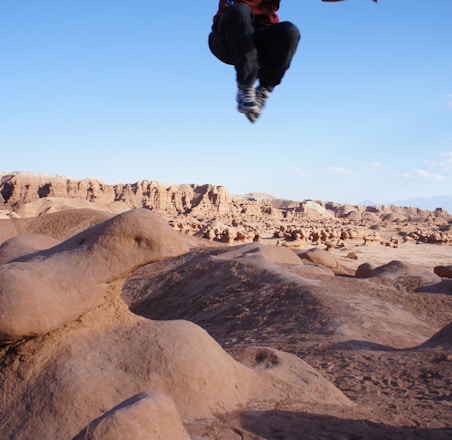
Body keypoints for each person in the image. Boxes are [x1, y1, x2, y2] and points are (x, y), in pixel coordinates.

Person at [208, 0, 378, 123]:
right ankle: (246, 87)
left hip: (259, 43)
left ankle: (264, 90)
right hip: (226, 40)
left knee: (289, 31)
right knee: (241, 10)